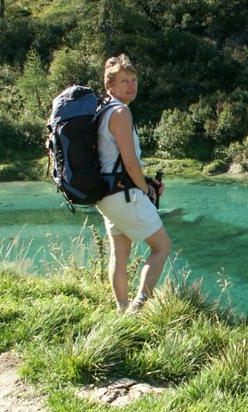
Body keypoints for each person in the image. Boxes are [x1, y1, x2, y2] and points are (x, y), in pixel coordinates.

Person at [95, 54, 172, 313]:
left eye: (134, 79)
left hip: (105, 195)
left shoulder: (101, 111)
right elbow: (129, 163)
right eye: (124, 81)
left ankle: (121, 308)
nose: (131, 85)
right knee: (162, 247)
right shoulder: (121, 112)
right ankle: (138, 307)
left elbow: (113, 161)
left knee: (120, 252)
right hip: (124, 195)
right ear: (110, 87)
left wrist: (144, 180)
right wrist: (147, 188)